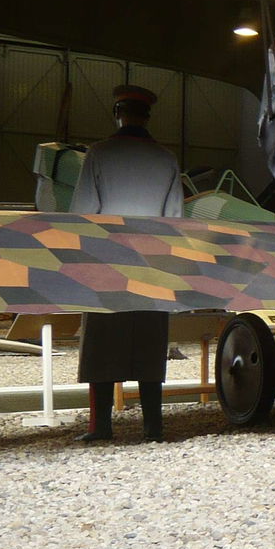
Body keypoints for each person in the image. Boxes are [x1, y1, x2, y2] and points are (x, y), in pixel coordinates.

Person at [71, 83, 183, 443]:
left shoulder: (99, 154)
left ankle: (100, 426)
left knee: (101, 345)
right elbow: (176, 219)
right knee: (150, 342)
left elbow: (83, 213)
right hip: (152, 261)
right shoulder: (166, 159)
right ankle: (153, 427)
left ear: (117, 114)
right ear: (147, 116)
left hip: (107, 260)